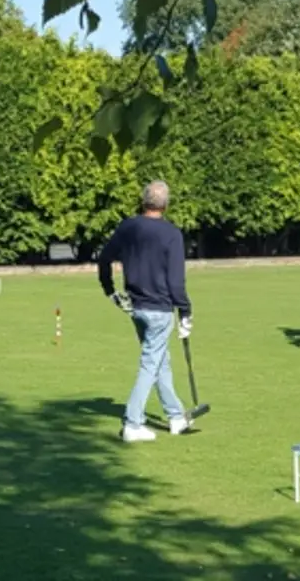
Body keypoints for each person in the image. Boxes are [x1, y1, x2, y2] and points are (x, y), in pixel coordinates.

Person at [97, 180, 193, 443]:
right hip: (159, 310)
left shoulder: (128, 227)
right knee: (151, 363)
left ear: (144, 201)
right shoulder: (172, 234)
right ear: (166, 204)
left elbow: (104, 259)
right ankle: (133, 422)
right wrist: (185, 311)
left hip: (137, 307)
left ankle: (175, 417)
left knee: (160, 361)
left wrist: (110, 290)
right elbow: (176, 281)